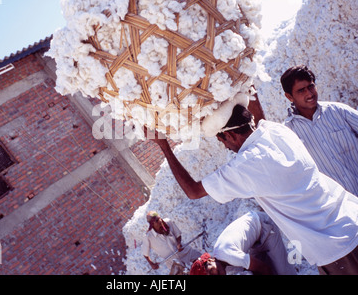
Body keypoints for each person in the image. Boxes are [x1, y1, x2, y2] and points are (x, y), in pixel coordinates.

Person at [147, 101, 358, 275]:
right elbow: (258, 115)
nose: (227, 148)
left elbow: (193, 191)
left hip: (336, 246)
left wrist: (164, 147)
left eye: (223, 142)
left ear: (228, 135)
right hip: (351, 215)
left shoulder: (246, 165)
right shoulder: (275, 131)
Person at [280, 65, 358, 196]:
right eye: (301, 90)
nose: (309, 93)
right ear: (289, 96)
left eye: (311, 86)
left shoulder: (338, 111)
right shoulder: (288, 133)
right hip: (341, 210)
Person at [190, 211, 296, 275]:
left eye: (211, 272)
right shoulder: (222, 263)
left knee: (284, 272)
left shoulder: (228, 255)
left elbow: (264, 268)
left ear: (210, 260)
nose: (216, 274)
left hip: (264, 227)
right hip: (254, 241)